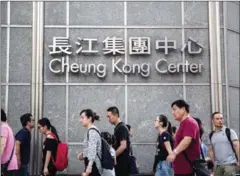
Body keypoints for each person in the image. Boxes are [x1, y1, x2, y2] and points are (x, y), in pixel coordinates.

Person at [167, 99, 200, 176]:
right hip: (181, 170)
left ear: (183, 109)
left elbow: (187, 140)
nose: (172, 112)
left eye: (174, 109)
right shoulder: (183, 123)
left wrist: (174, 153)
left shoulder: (189, 122)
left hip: (187, 170)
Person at [208, 112, 240, 176]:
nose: (220, 120)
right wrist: (212, 164)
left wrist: (239, 160)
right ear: (212, 121)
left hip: (230, 165)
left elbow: (237, 146)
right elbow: (211, 150)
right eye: (217, 119)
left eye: (221, 118)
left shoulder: (229, 131)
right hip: (217, 166)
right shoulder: (211, 135)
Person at [77, 109, 102, 176]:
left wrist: (89, 168)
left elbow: (93, 150)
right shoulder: (90, 131)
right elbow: (91, 147)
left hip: (94, 166)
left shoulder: (92, 132)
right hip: (92, 165)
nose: (80, 120)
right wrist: (83, 154)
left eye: (82, 117)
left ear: (89, 118)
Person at [107, 106, 130, 176]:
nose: (108, 119)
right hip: (119, 163)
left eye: (109, 116)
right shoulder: (118, 128)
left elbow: (123, 146)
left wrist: (112, 157)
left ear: (116, 115)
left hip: (122, 164)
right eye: (107, 117)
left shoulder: (121, 128)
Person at [1, 109, 18, 176]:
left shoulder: (3, 128)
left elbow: (2, 145)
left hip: (7, 165)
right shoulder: (7, 127)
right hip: (9, 164)